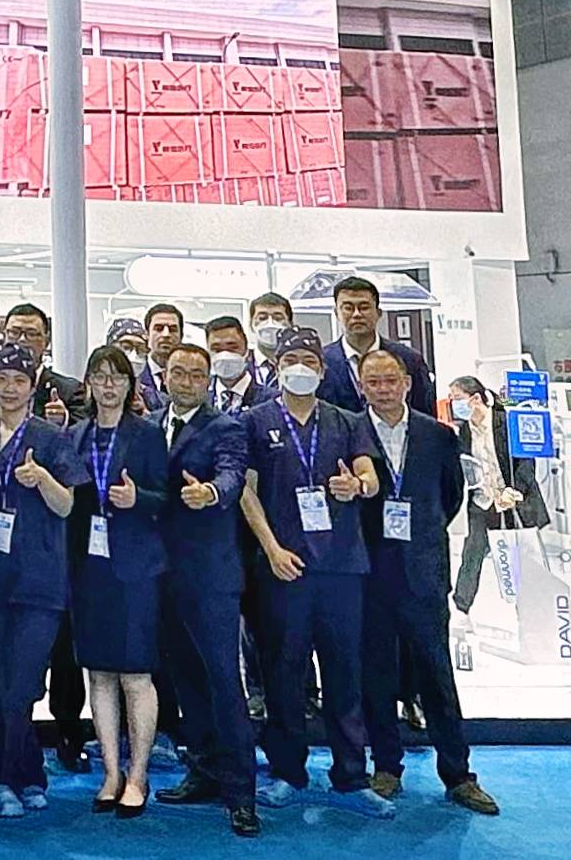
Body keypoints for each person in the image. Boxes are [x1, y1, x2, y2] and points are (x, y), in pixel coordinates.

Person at [240, 327, 391, 818]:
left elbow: (370, 475)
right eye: (291, 361)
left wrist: (358, 487)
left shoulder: (347, 421)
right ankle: (287, 770)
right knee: (283, 672)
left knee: (344, 671)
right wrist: (271, 548)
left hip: (341, 567)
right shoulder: (256, 421)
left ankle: (352, 774)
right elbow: (247, 491)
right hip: (284, 567)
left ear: (323, 370)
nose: (300, 368)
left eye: (309, 360)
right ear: (277, 367)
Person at [355, 348, 500, 814]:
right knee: (376, 673)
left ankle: (458, 775)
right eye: (373, 382)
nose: (383, 389)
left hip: (423, 571)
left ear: (406, 383)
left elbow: (451, 496)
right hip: (370, 571)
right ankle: (386, 767)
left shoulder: (438, 436)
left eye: (390, 380)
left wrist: (422, 534)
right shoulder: (350, 431)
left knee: (436, 674)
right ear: (362, 386)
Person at [151, 342, 260, 838]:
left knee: (224, 683)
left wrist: (211, 492)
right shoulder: (151, 423)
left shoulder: (226, 426)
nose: (187, 381)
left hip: (211, 577)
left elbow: (234, 474)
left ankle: (241, 794)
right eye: (179, 372)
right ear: (165, 375)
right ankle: (203, 771)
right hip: (161, 575)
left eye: (197, 374)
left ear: (208, 379)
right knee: (185, 680)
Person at [0, 339, 86, 817]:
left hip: (39, 577)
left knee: (22, 684)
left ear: (34, 385)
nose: (9, 388)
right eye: (1, 379)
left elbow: (67, 505)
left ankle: (1, 778)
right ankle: (28, 773)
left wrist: (42, 479)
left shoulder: (51, 436)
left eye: (19, 380)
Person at [70, 343, 168, 816]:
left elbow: (167, 499)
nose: (108, 385)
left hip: (136, 568)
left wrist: (139, 499)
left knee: (136, 674)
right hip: (89, 569)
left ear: (130, 385)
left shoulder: (147, 435)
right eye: (100, 376)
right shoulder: (75, 435)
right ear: (88, 384)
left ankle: (138, 773)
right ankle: (110, 771)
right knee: (100, 672)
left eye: (117, 377)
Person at [450, 377, 550, 614]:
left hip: (514, 501)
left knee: (522, 556)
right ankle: (462, 608)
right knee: (472, 553)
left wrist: (515, 491)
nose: (454, 405)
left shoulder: (505, 423)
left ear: (475, 398)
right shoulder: (464, 431)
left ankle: (531, 610)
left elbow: (525, 462)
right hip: (483, 502)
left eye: (457, 399)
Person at [318, 275, 435, 415]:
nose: (356, 314)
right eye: (348, 308)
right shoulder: (322, 362)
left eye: (364, 307)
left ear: (378, 312)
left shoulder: (409, 359)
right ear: (337, 313)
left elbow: (425, 416)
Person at [202, 316, 267, 415]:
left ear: (246, 349)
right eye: (217, 350)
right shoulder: (198, 398)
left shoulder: (271, 400)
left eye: (233, 348)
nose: (225, 355)